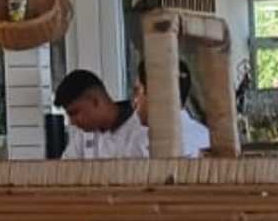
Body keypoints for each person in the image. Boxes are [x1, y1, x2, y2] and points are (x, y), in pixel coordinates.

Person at [53, 68, 210, 160]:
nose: (72, 122)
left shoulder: (145, 131)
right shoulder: (82, 135)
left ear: (95, 101)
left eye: (74, 113)